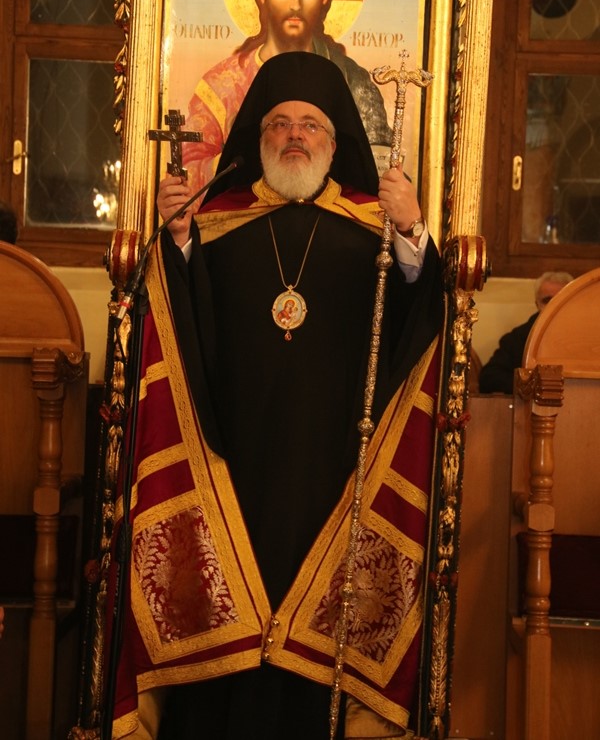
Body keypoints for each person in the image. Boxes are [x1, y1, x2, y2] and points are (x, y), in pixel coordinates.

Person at [108, 52, 444, 739]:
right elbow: (179, 327)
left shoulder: (374, 232)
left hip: (334, 466)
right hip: (234, 463)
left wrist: (413, 230)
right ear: (257, 138)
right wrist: (177, 242)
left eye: (311, 125)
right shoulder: (215, 225)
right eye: (280, 124)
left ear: (335, 143)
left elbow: (420, 322)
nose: (295, 136)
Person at [181, 0, 392, 194]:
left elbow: (377, 172)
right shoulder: (220, 85)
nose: (296, 4)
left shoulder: (353, 82)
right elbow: (191, 168)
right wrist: (256, 153)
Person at [478, 270, 574, 394]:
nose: (553, 306)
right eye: (547, 300)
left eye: (560, 299)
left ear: (572, 302)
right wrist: (529, 386)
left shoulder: (586, 336)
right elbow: (489, 378)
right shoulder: (517, 338)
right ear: (537, 304)